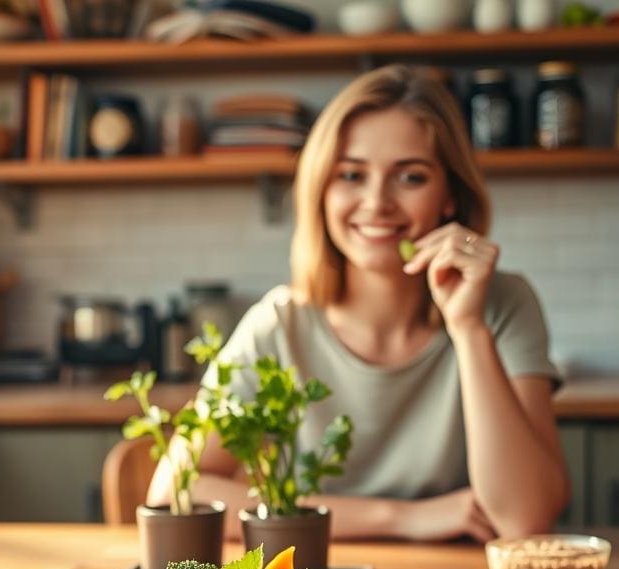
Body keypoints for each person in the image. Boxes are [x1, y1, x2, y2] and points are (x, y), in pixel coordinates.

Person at [147, 64, 570, 542]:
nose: (376, 203)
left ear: (450, 196)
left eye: (410, 177)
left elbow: (525, 522)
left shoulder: (503, 304)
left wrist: (469, 328)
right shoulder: (279, 325)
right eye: (351, 174)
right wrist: (402, 518)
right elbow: (174, 493)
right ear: (322, 191)